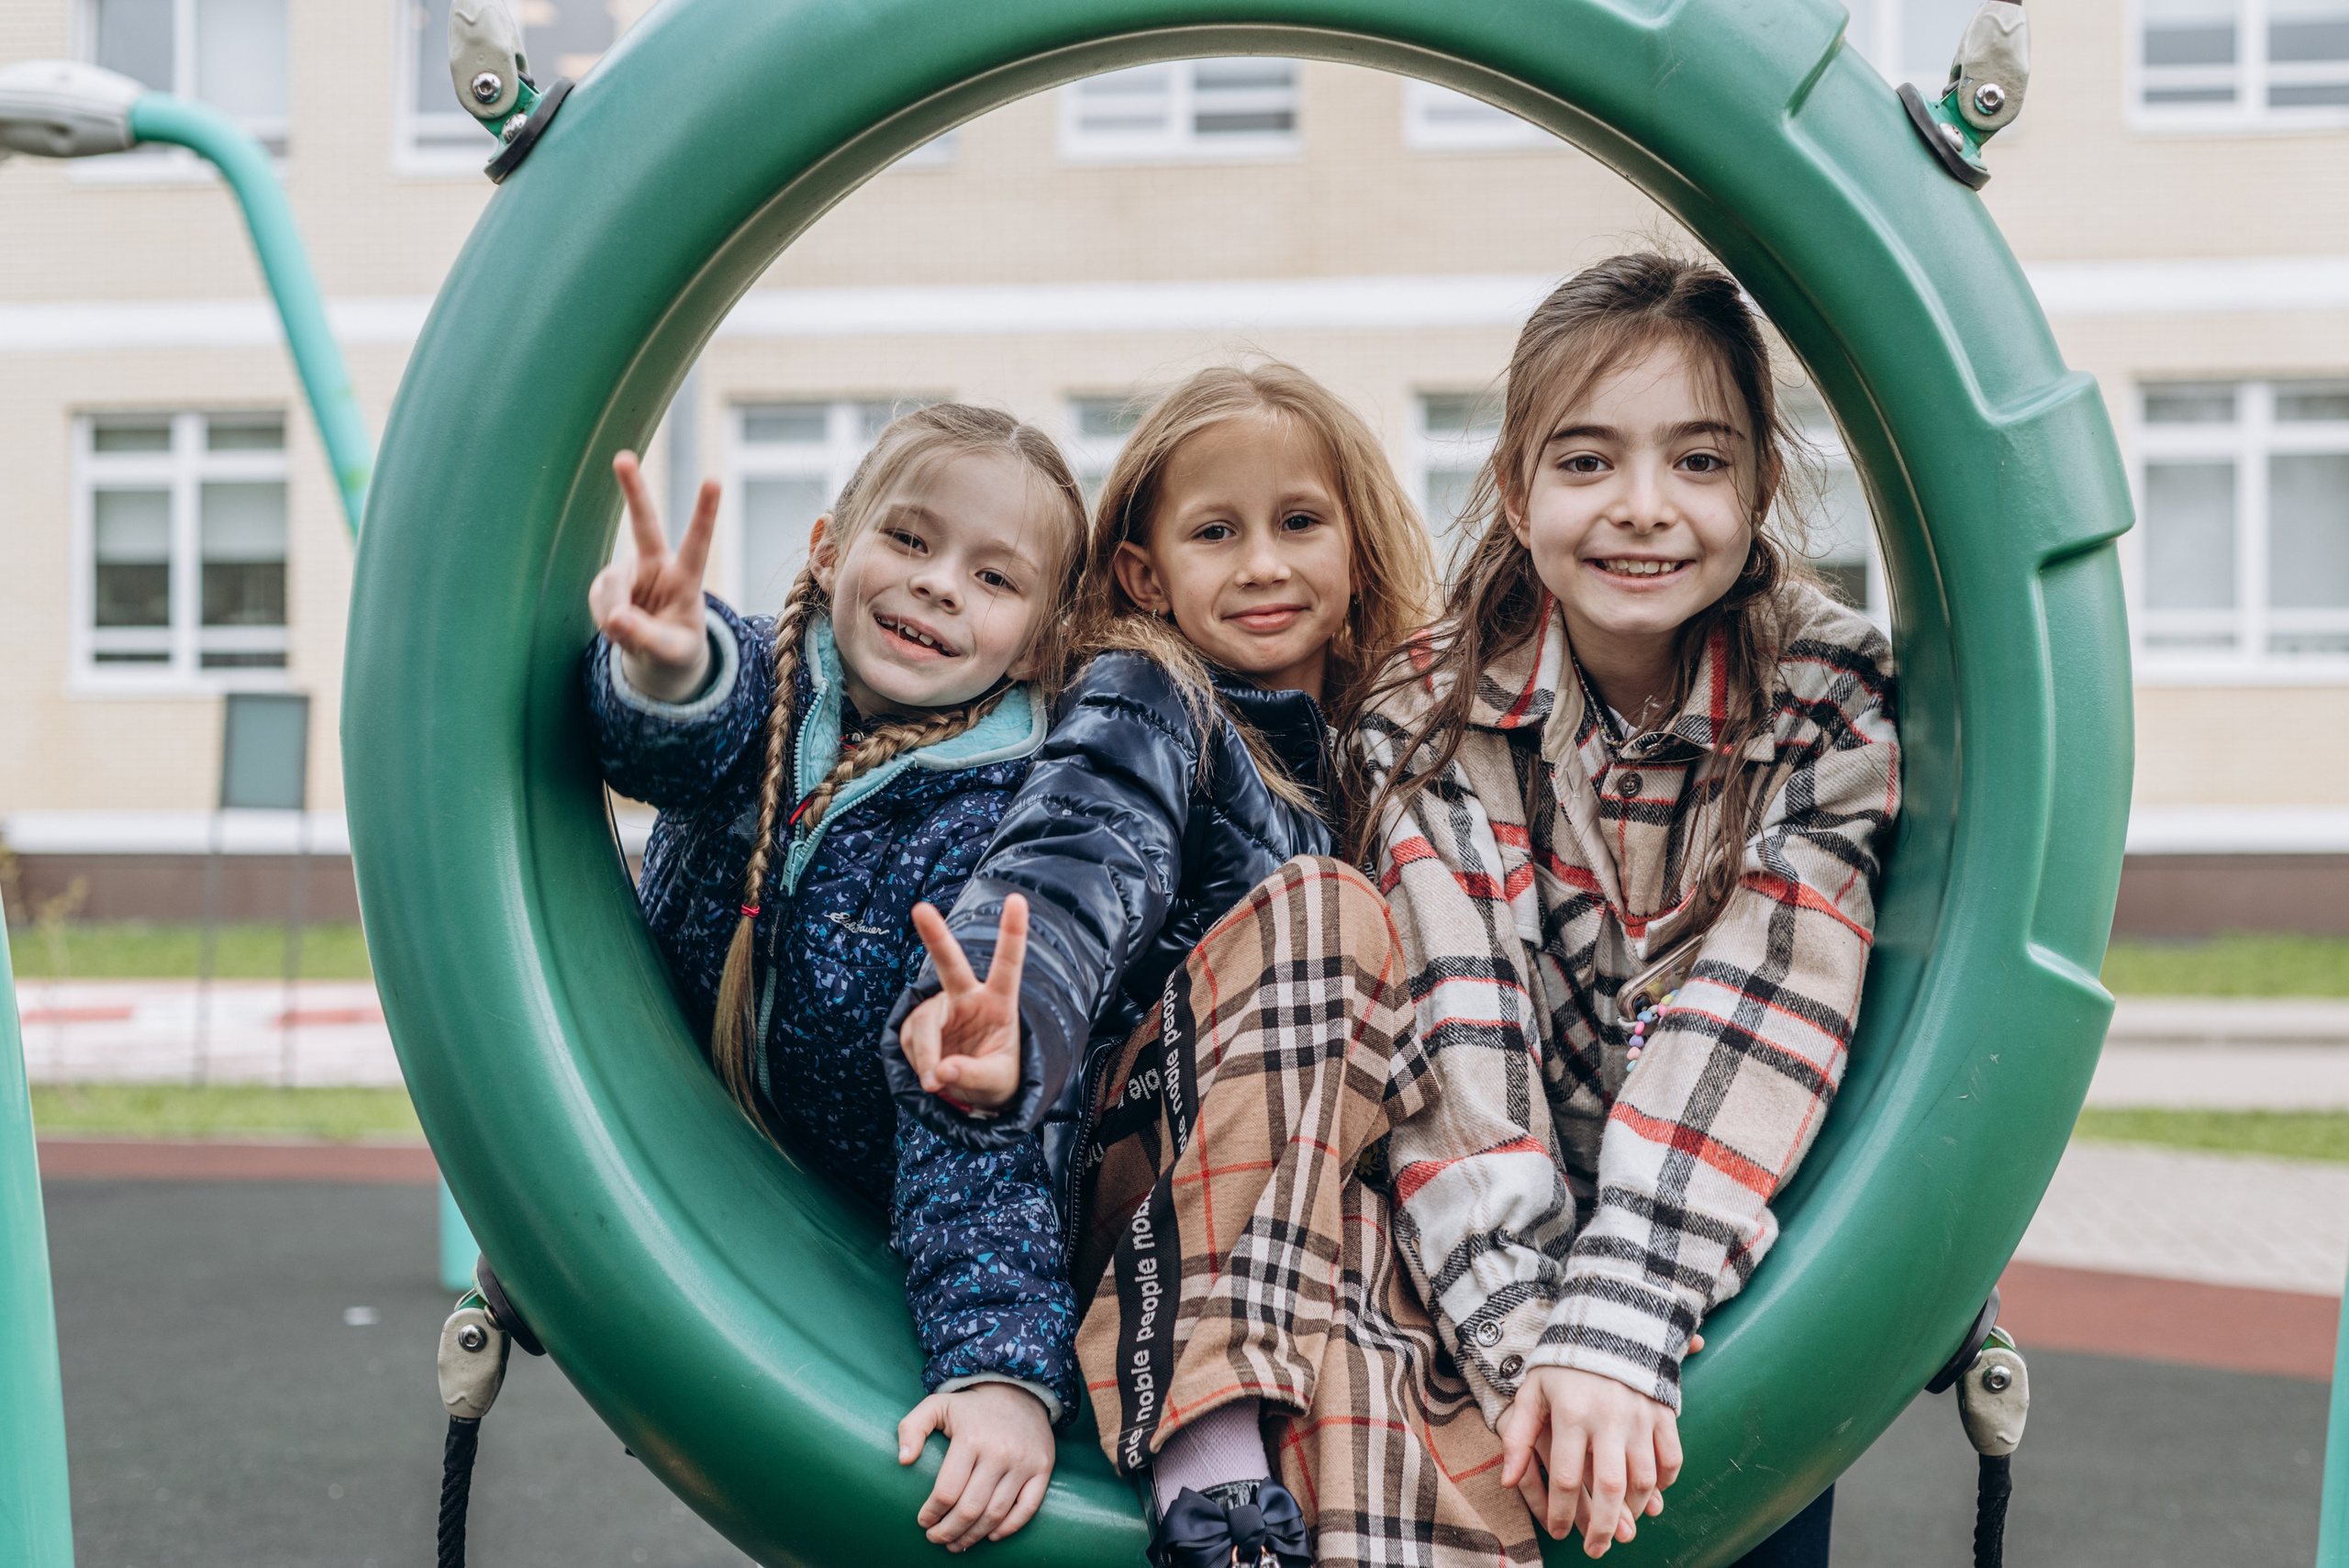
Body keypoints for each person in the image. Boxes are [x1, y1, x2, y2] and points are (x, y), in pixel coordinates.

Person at [880, 363, 1476, 1568]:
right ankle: (1202, 1454)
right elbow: (1073, 861)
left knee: (1395, 1381)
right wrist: (1018, 1014)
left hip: (1309, 1210)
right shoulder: (1156, 702)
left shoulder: (1400, 754)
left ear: (1356, 550)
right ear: (1147, 574)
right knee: (1324, 913)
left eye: (1298, 523)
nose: (1262, 562)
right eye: (1217, 531)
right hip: (1150, 1157)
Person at [1355, 254, 1903, 1564]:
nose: (1644, 510)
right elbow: (1452, 1034)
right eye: (1589, 461)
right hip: (1485, 1270)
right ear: (1516, 484)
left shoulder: (1825, 694)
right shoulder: (1426, 713)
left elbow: (1769, 994)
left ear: (1764, 484)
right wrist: (1542, 1355)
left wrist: (1625, 1317)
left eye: (1700, 462)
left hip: (1737, 1253)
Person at [580, 404, 1089, 1553]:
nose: (939, 585)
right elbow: (672, 740)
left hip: (858, 1237)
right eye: (908, 540)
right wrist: (665, 663)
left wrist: (997, 1365)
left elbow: (969, 1112)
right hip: (682, 1162)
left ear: (1043, 639)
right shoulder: (763, 682)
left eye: (993, 576)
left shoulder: (1007, 815)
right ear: (827, 545)